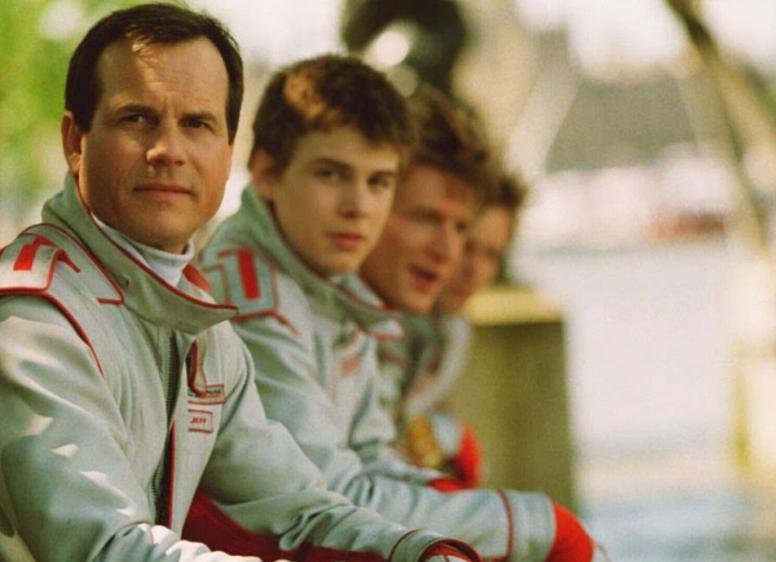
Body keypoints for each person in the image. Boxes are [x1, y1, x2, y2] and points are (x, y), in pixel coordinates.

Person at [0, 5, 481, 562]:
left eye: (197, 124)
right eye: (137, 118)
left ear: (229, 154)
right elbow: (106, 549)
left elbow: (302, 508)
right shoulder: (34, 317)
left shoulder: (197, 321)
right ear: (75, 141)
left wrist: (423, 551)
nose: (168, 150)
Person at [199, 64, 606, 562]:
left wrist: (464, 501)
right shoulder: (255, 299)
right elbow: (326, 503)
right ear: (265, 173)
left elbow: (370, 459)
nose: (357, 206)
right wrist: (536, 524)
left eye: (378, 182)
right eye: (331, 174)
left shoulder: (328, 285)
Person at [374, 173, 526, 488]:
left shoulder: (453, 330)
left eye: (491, 255)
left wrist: (445, 434)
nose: (475, 270)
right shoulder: (371, 324)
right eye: (467, 247)